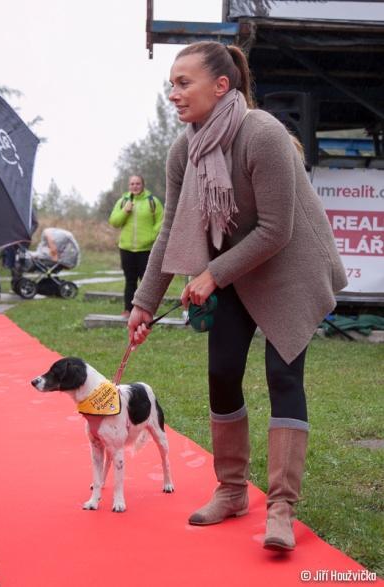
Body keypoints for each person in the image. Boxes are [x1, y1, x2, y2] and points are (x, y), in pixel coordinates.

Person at [128, 41, 347, 552]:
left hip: (289, 266)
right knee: (222, 371)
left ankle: (281, 507)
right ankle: (231, 490)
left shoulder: (262, 133)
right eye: (171, 83)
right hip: (231, 274)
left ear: (221, 86)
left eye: (184, 83)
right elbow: (169, 231)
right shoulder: (184, 148)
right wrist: (143, 301)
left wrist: (211, 274)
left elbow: (276, 229)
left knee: (282, 374)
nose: (173, 93)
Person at [109, 175, 163, 318]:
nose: (135, 186)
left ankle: (147, 311)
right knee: (130, 280)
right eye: (132, 184)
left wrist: (151, 236)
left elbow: (161, 221)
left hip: (146, 249)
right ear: (129, 186)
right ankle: (128, 309)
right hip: (126, 248)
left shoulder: (153, 202)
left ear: (143, 185)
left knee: (146, 281)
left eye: (137, 183)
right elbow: (114, 222)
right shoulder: (123, 201)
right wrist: (125, 211)